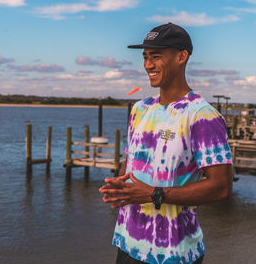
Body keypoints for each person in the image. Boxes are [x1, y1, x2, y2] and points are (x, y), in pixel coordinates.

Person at [99, 22, 233, 264]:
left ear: (182, 56)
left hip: (174, 253)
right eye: (145, 56)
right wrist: (120, 186)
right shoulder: (140, 109)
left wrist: (153, 193)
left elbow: (221, 187)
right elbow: (130, 162)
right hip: (127, 244)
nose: (148, 64)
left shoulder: (202, 115)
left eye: (157, 56)